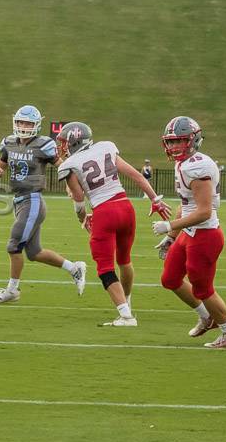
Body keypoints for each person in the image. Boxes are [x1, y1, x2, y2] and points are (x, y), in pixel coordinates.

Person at [55, 122, 170, 327]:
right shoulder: (105, 147)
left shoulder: (69, 164)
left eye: (65, 142)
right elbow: (136, 175)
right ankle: (127, 303)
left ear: (74, 142)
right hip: (125, 207)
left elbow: (79, 201)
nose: (62, 146)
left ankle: (126, 315)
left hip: (104, 212)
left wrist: (83, 219)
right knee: (124, 260)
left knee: (105, 268)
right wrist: (156, 200)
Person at [153, 117, 226, 349]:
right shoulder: (184, 163)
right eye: (171, 142)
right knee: (170, 278)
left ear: (193, 140)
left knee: (203, 289)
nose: (174, 147)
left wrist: (170, 226)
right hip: (190, 233)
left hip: (205, 235)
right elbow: (187, 203)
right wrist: (172, 236)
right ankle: (207, 316)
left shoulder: (197, 167)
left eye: (180, 141)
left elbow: (203, 212)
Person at [0, 106, 87, 305]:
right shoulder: (9, 142)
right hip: (19, 200)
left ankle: (12, 290)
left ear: (36, 125)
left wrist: (70, 187)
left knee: (14, 245)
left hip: (32, 200)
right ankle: (74, 268)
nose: (23, 127)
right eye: (21, 122)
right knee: (34, 253)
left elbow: (64, 167)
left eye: (28, 123)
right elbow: (1, 163)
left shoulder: (44, 145)